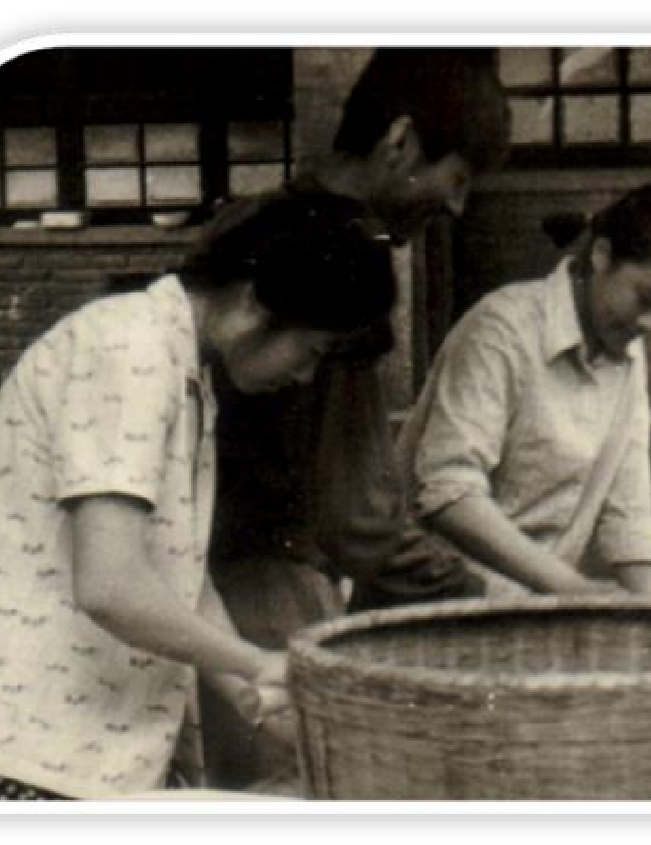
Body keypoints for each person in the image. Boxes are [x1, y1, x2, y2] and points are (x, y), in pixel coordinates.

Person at [0, 190, 397, 800]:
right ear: (254, 301)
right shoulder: (129, 350)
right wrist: (257, 662)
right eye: (311, 350)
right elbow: (111, 585)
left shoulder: (180, 367)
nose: (307, 375)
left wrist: (254, 694)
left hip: (79, 751)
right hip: (19, 754)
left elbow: (175, 572)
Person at [199, 47, 510, 786]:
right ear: (400, 141)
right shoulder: (346, 255)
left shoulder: (251, 220)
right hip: (270, 595)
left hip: (201, 588)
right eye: (457, 179)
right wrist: (471, 594)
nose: (457, 208)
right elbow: (357, 516)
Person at [385, 183, 651, 598]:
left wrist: (649, 615)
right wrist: (573, 590)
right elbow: (448, 492)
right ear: (602, 255)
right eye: (646, 299)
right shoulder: (502, 329)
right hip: (430, 602)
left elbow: (629, 508)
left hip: (532, 609)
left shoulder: (626, 348)